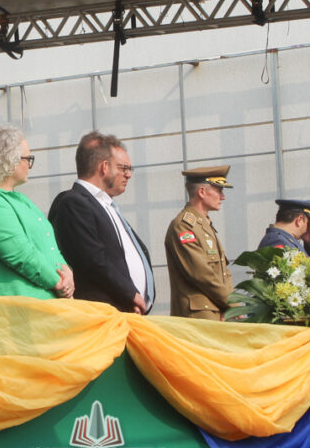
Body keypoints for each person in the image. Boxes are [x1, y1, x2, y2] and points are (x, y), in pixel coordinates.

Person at [0, 125, 73, 300]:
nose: (30, 164)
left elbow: (49, 246)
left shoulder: (22, 200)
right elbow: (19, 253)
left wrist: (67, 274)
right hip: (10, 309)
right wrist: (57, 282)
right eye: (28, 158)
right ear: (7, 160)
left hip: (41, 304)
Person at [49, 131, 153, 314]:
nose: (128, 175)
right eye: (122, 167)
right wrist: (130, 294)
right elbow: (94, 259)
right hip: (102, 314)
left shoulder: (105, 204)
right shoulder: (74, 202)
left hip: (123, 313)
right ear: (104, 167)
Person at [164, 165, 234, 320]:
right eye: (219, 190)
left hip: (214, 311)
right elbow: (202, 274)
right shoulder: (183, 226)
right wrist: (232, 304)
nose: (223, 197)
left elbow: (223, 272)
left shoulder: (203, 225)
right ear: (202, 192)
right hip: (199, 315)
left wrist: (229, 306)